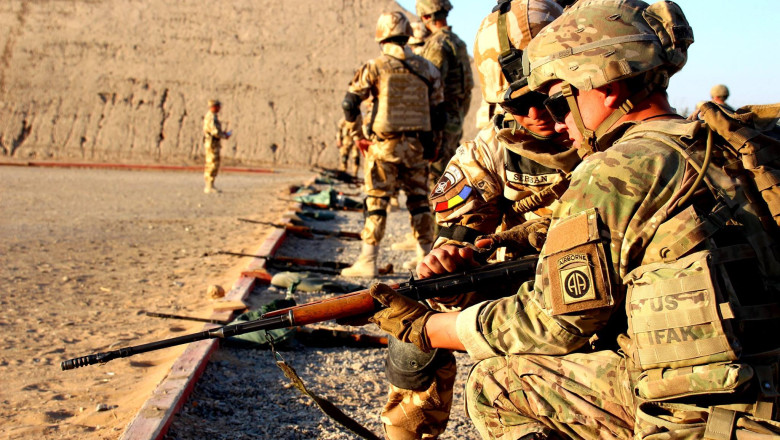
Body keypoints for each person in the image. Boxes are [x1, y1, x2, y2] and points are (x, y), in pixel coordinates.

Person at [365, 0, 780, 438]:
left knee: (495, 385)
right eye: (523, 103)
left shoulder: (613, 164)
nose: (546, 117)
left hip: (690, 402)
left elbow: (552, 323)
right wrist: (476, 270)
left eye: (555, 99)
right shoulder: (730, 142)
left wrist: (431, 329)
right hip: (738, 376)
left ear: (606, 85)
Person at [376, 1, 573, 439]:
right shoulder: (489, 152)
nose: (536, 114)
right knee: (418, 310)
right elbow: (455, 246)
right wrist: (447, 271)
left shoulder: (620, 134)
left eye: (550, 96)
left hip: (611, 292)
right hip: (529, 294)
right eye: (518, 103)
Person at [339, 11, 444, 277]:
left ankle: (368, 261)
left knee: (376, 201)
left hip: (383, 147)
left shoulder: (374, 67)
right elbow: (438, 113)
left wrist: (357, 136)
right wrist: (435, 145)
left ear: (381, 36)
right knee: (419, 202)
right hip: (417, 148)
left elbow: (349, 103)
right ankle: (426, 259)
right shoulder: (428, 68)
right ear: (407, 35)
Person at [416, 0, 474, 187]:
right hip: (455, 118)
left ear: (426, 16)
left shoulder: (437, 45)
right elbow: (467, 87)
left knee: (437, 179)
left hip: (440, 123)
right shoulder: (458, 42)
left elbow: (431, 86)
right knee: (449, 176)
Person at [203, 99, 231, 194]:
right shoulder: (211, 117)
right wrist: (224, 135)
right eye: (218, 106)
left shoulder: (212, 116)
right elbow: (214, 131)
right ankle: (209, 186)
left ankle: (210, 184)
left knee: (213, 163)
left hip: (213, 143)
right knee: (212, 164)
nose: (220, 108)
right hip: (212, 143)